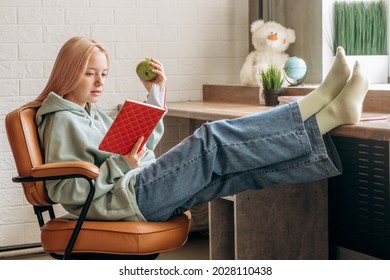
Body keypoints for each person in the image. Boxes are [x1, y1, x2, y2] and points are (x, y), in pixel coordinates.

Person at [33, 36, 368, 222]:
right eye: (90, 73)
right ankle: (321, 98)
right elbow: (64, 190)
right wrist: (122, 165)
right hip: (133, 196)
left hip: (139, 187)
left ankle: (332, 114)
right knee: (212, 138)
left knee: (237, 172)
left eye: (103, 74)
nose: (99, 82)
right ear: (70, 71)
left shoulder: (86, 112)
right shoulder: (61, 119)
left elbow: (127, 143)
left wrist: (154, 94)